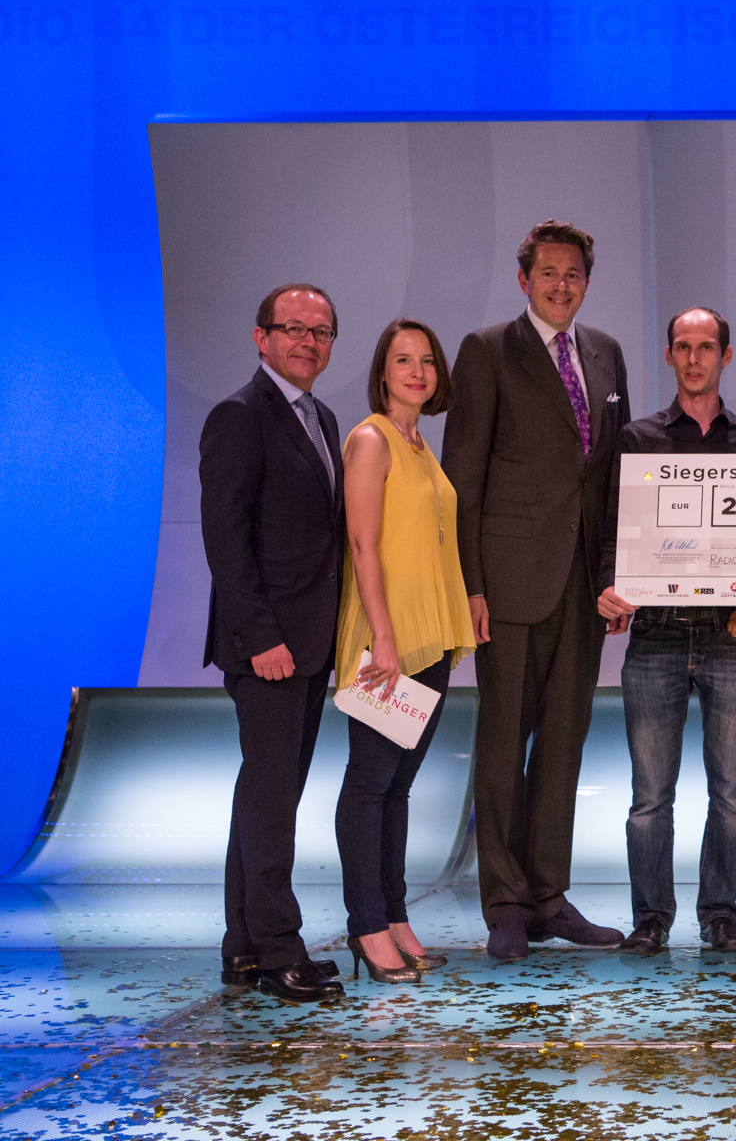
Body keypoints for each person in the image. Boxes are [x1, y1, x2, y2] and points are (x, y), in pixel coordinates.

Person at [442, 219, 632, 960]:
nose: (561, 285)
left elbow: (613, 478)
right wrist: (471, 585)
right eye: (548, 273)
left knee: (562, 744)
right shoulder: (487, 349)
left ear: (587, 282)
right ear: (524, 280)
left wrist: (614, 574)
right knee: (501, 745)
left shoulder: (606, 352)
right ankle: (505, 902)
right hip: (509, 582)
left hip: (583, 586)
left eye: (573, 274)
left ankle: (549, 896)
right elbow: (464, 478)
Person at [597, 307, 736, 956]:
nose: (695, 358)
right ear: (669, 355)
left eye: (706, 346)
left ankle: (720, 915)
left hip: (732, 634)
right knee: (649, 797)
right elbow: (613, 530)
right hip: (656, 634)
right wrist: (610, 588)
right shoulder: (637, 439)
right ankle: (651, 919)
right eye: (683, 346)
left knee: (732, 796)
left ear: (726, 355)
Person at [200, 283, 347, 1003]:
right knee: (271, 800)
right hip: (267, 647)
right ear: (261, 337)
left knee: (265, 796)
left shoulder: (322, 417)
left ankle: (244, 947)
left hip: (310, 643)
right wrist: (260, 636)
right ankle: (281, 951)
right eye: (293, 328)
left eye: (321, 332)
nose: (307, 342)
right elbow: (225, 540)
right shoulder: (238, 415)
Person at [333, 319, 478, 983]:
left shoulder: (420, 445)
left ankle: (394, 918)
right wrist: (384, 639)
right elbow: (362, 544)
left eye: (427, 360)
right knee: (369, 785)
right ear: (382, 372)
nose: (417, 371)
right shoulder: (371, 439)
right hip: (387, 640)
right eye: (403, 360)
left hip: (428, 634)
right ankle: (366, 926)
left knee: (396, 786)